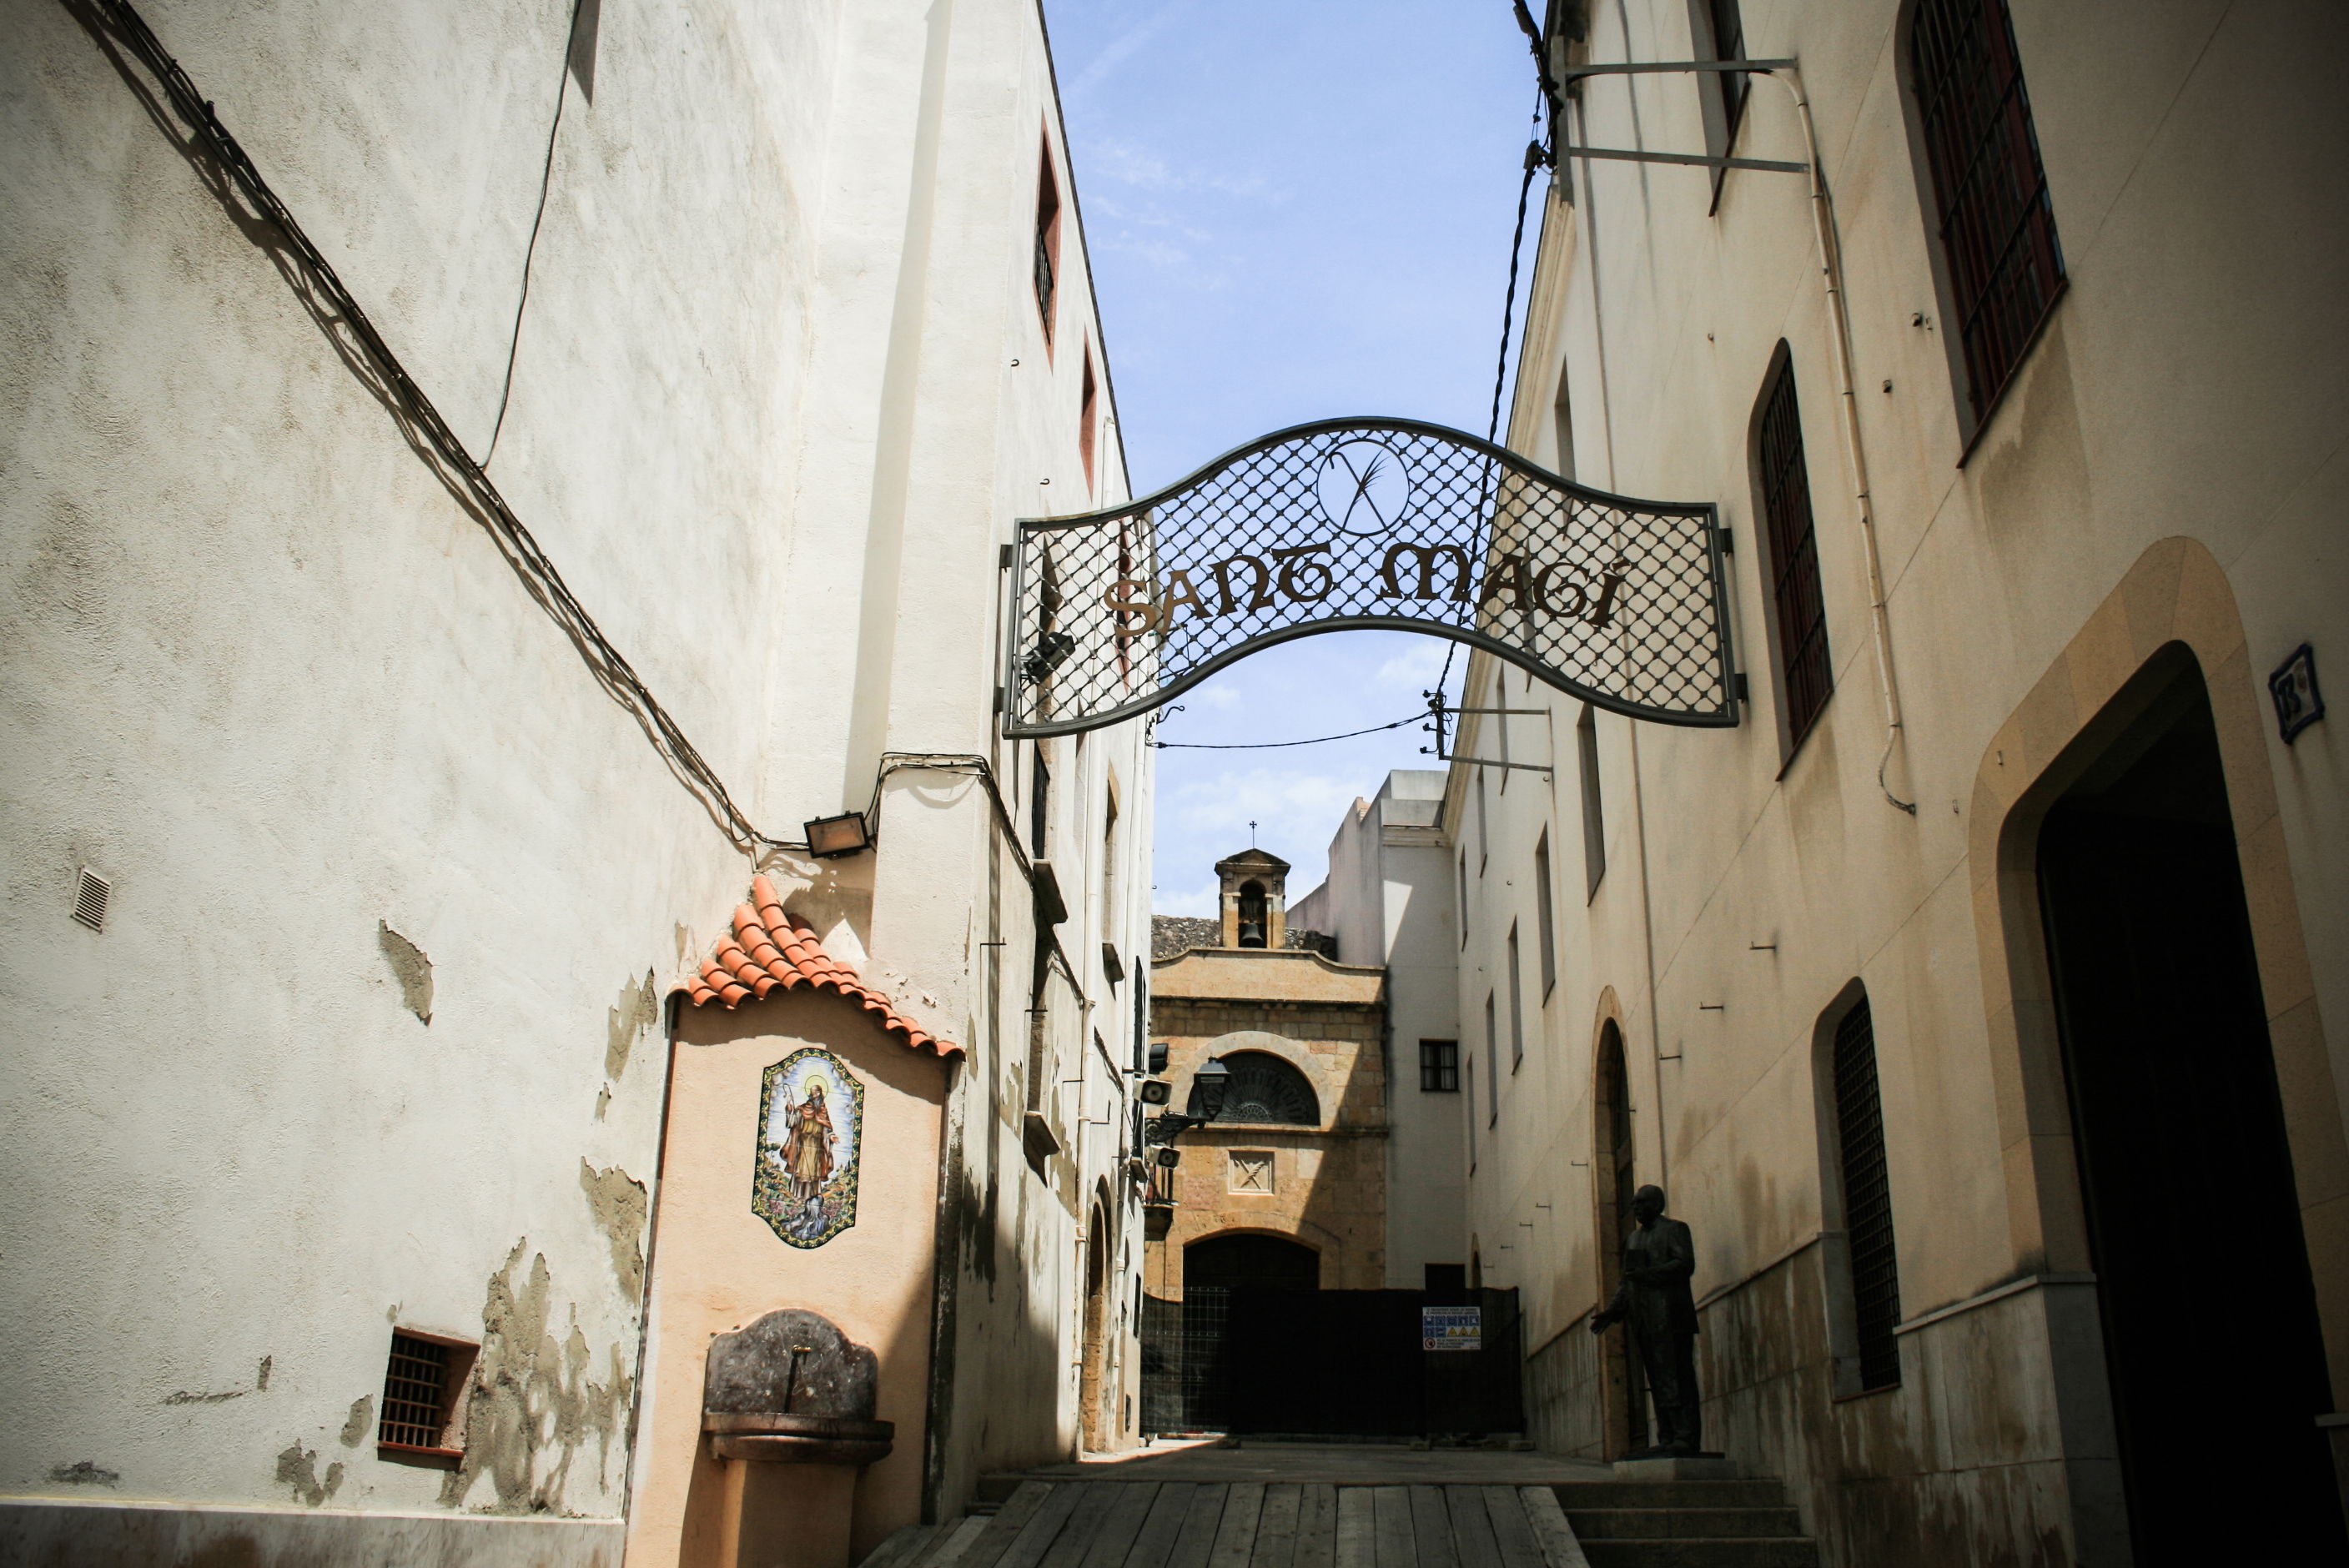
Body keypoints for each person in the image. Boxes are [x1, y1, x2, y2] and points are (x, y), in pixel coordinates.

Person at [1589, 1184, 1704, 1455]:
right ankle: (1667, 1437)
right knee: (1658, 1380)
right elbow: (1627, 1282)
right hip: (1645, 1320)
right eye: (1634, 1204)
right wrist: (1613, 1310)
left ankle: (1686, 1438)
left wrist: (1649, 1275)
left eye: (1641, 1203)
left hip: (1673, 1317)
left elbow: (1685, 1264)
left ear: (1656, 1204)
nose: (1636, 1208)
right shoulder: (1634, 1239)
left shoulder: (1675, 1229)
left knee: (1679, 1378)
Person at [781, 1078, 835, 1213]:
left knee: (814, 1171)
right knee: (802, 1170)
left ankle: (812, 1197)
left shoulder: (823, 1111)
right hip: (804, 1143)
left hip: (817, 1146)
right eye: (812, 1093)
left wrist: (831, 1136)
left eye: (816, 1093)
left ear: (820, 1094)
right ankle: (799, 1195)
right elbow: (793, 1122)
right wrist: (790, 1107)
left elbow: (827, 1129)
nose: (814, 1095)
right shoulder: (804, 1108)